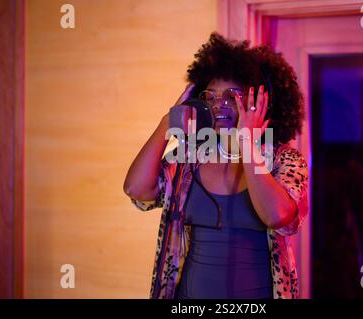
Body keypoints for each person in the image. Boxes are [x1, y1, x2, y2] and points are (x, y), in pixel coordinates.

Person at [123, 32, 309, 299]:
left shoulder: (284, 161)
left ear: (260, 101)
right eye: (210, 96)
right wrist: (168, 121)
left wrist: (247, 143)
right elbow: (136, 189)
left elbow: (277, 217)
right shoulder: (189, 158)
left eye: (232, 95)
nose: (219, 104)